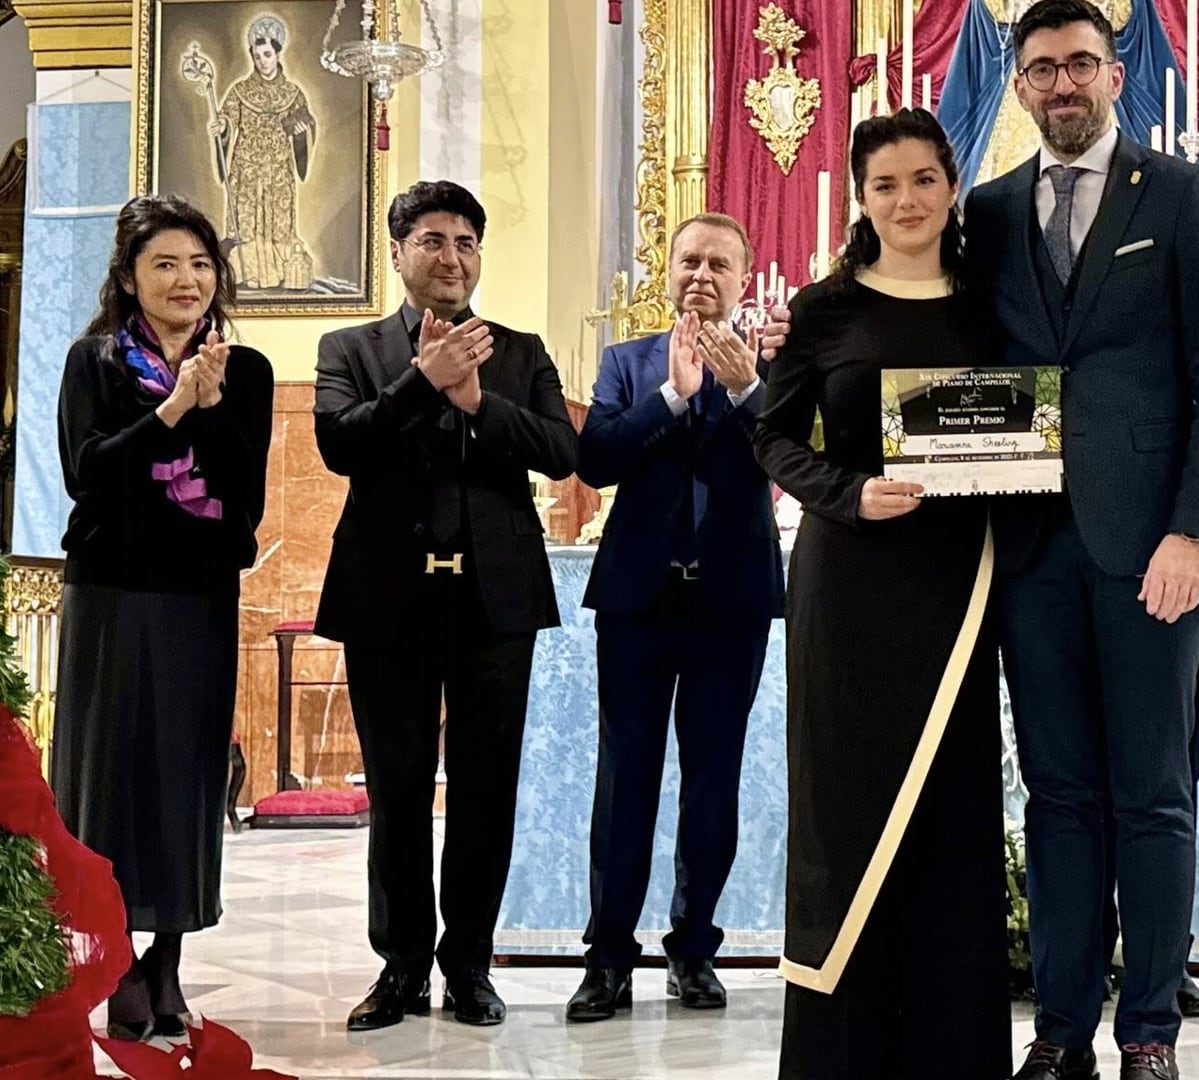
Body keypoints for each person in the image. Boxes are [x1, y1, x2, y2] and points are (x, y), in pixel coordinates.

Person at [964, 3, 1199, 1076]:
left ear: (1115, 73)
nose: (1063, 84)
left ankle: (1149, 1033)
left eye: (1081, 62)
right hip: (1030, 553)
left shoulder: (1182, 195)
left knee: (1151, 793)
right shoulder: (986, 212)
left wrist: (1194, 531)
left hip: (1153, 556)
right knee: (1057, 799)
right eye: (1042, 69)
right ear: (1022, 86)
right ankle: (1057, 1032)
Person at [755, 108, 1010, 1080]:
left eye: (923, 179)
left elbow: (1033, 418)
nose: (906, 200)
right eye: (884, 185)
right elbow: (772, 437)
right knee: (844, 818)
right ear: (862, 200)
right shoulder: (822, 308)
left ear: (952, 186)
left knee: (949, 823)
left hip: (960, 589)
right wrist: (847, 492)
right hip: (850, 591)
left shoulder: (992, 301)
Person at [314, 180, 577, 1031]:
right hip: (387, 597)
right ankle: (399, 968)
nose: (451, 257)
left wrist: (477, 402)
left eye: (466, 242)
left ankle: (468, 963)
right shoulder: (350, 346)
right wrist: (421, 384)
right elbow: (339, 444)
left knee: (485, 789)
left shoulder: (520, 349)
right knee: (395, 790)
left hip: (493, 600)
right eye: (433, 239)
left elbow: (560, 449)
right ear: (398, 253)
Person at [50, 194, 273, 1040]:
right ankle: (111, 961)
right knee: (107, 778)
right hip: (109, 596)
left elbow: (239, 502)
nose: (186, 280)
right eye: (166, 265)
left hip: (197, 599)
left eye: (201, 264)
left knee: (186, 780)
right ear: (130, 278)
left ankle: (166, 964)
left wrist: (203, 417)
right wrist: (174, 410)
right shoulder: (94, 364)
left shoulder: (243, 374)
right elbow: (89, 478)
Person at [566, 212, 782, 1021]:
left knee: (713, 778)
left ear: (744, 277)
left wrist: (743, 389)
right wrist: (673, 395)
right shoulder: (628, 362)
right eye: (689, 260)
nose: (701, 275)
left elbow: (793, 451)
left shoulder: (767, 364)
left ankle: (694, 950)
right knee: (625, 782)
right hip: (638, 600)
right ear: (668, 270)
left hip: (731, 601)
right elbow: (598, 458)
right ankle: (608, 958)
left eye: (719, 264)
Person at [1101, 451, 1199, 1020]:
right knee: (1081, 788)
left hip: (1184, 571)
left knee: (1173, 784)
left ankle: (1166, 964)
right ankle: (1089, 951)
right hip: (1076, 565)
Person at [211, 14, 315, 290]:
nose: (262, 61)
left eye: (267, 54)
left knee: (278, 223)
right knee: (246, 223)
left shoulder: (293, 93)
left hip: (278, 171)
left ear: (278, 53)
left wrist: (302, 130)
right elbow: (228, 119)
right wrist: (221, 126)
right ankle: (248, 273)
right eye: (257, 56)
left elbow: (304, 130)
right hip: (246, 170)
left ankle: (278, 271)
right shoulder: (240, 91)